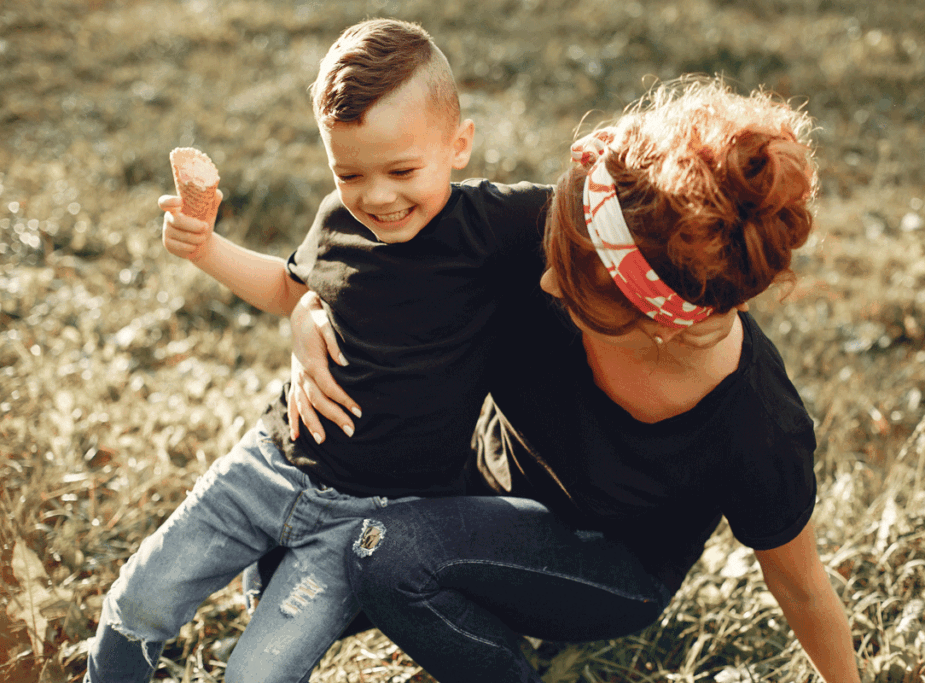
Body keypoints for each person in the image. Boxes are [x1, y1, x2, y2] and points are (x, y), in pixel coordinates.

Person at [282, 78, 862, 682]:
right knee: (280, 542)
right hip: (473, 484)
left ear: (658, 325)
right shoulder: (569, 227)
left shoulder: (757, 424)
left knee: (389, 554)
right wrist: (311, 311)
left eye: (575, 289)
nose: (548, 283)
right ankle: (462, 593)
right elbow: (363, 251)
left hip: (606, 568)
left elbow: (801, 589)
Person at [84, 18, 551, 683]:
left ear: (460, 144)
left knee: (256, 675)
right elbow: (288, 284)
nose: (378, 196)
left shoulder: (494, 224)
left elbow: (597, 209)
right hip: (267, 468)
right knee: (138, 601)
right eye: (350, 171)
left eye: (402, 169)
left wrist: (607, 159)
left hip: (368, 519)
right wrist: (206, 248)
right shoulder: (338, 217)